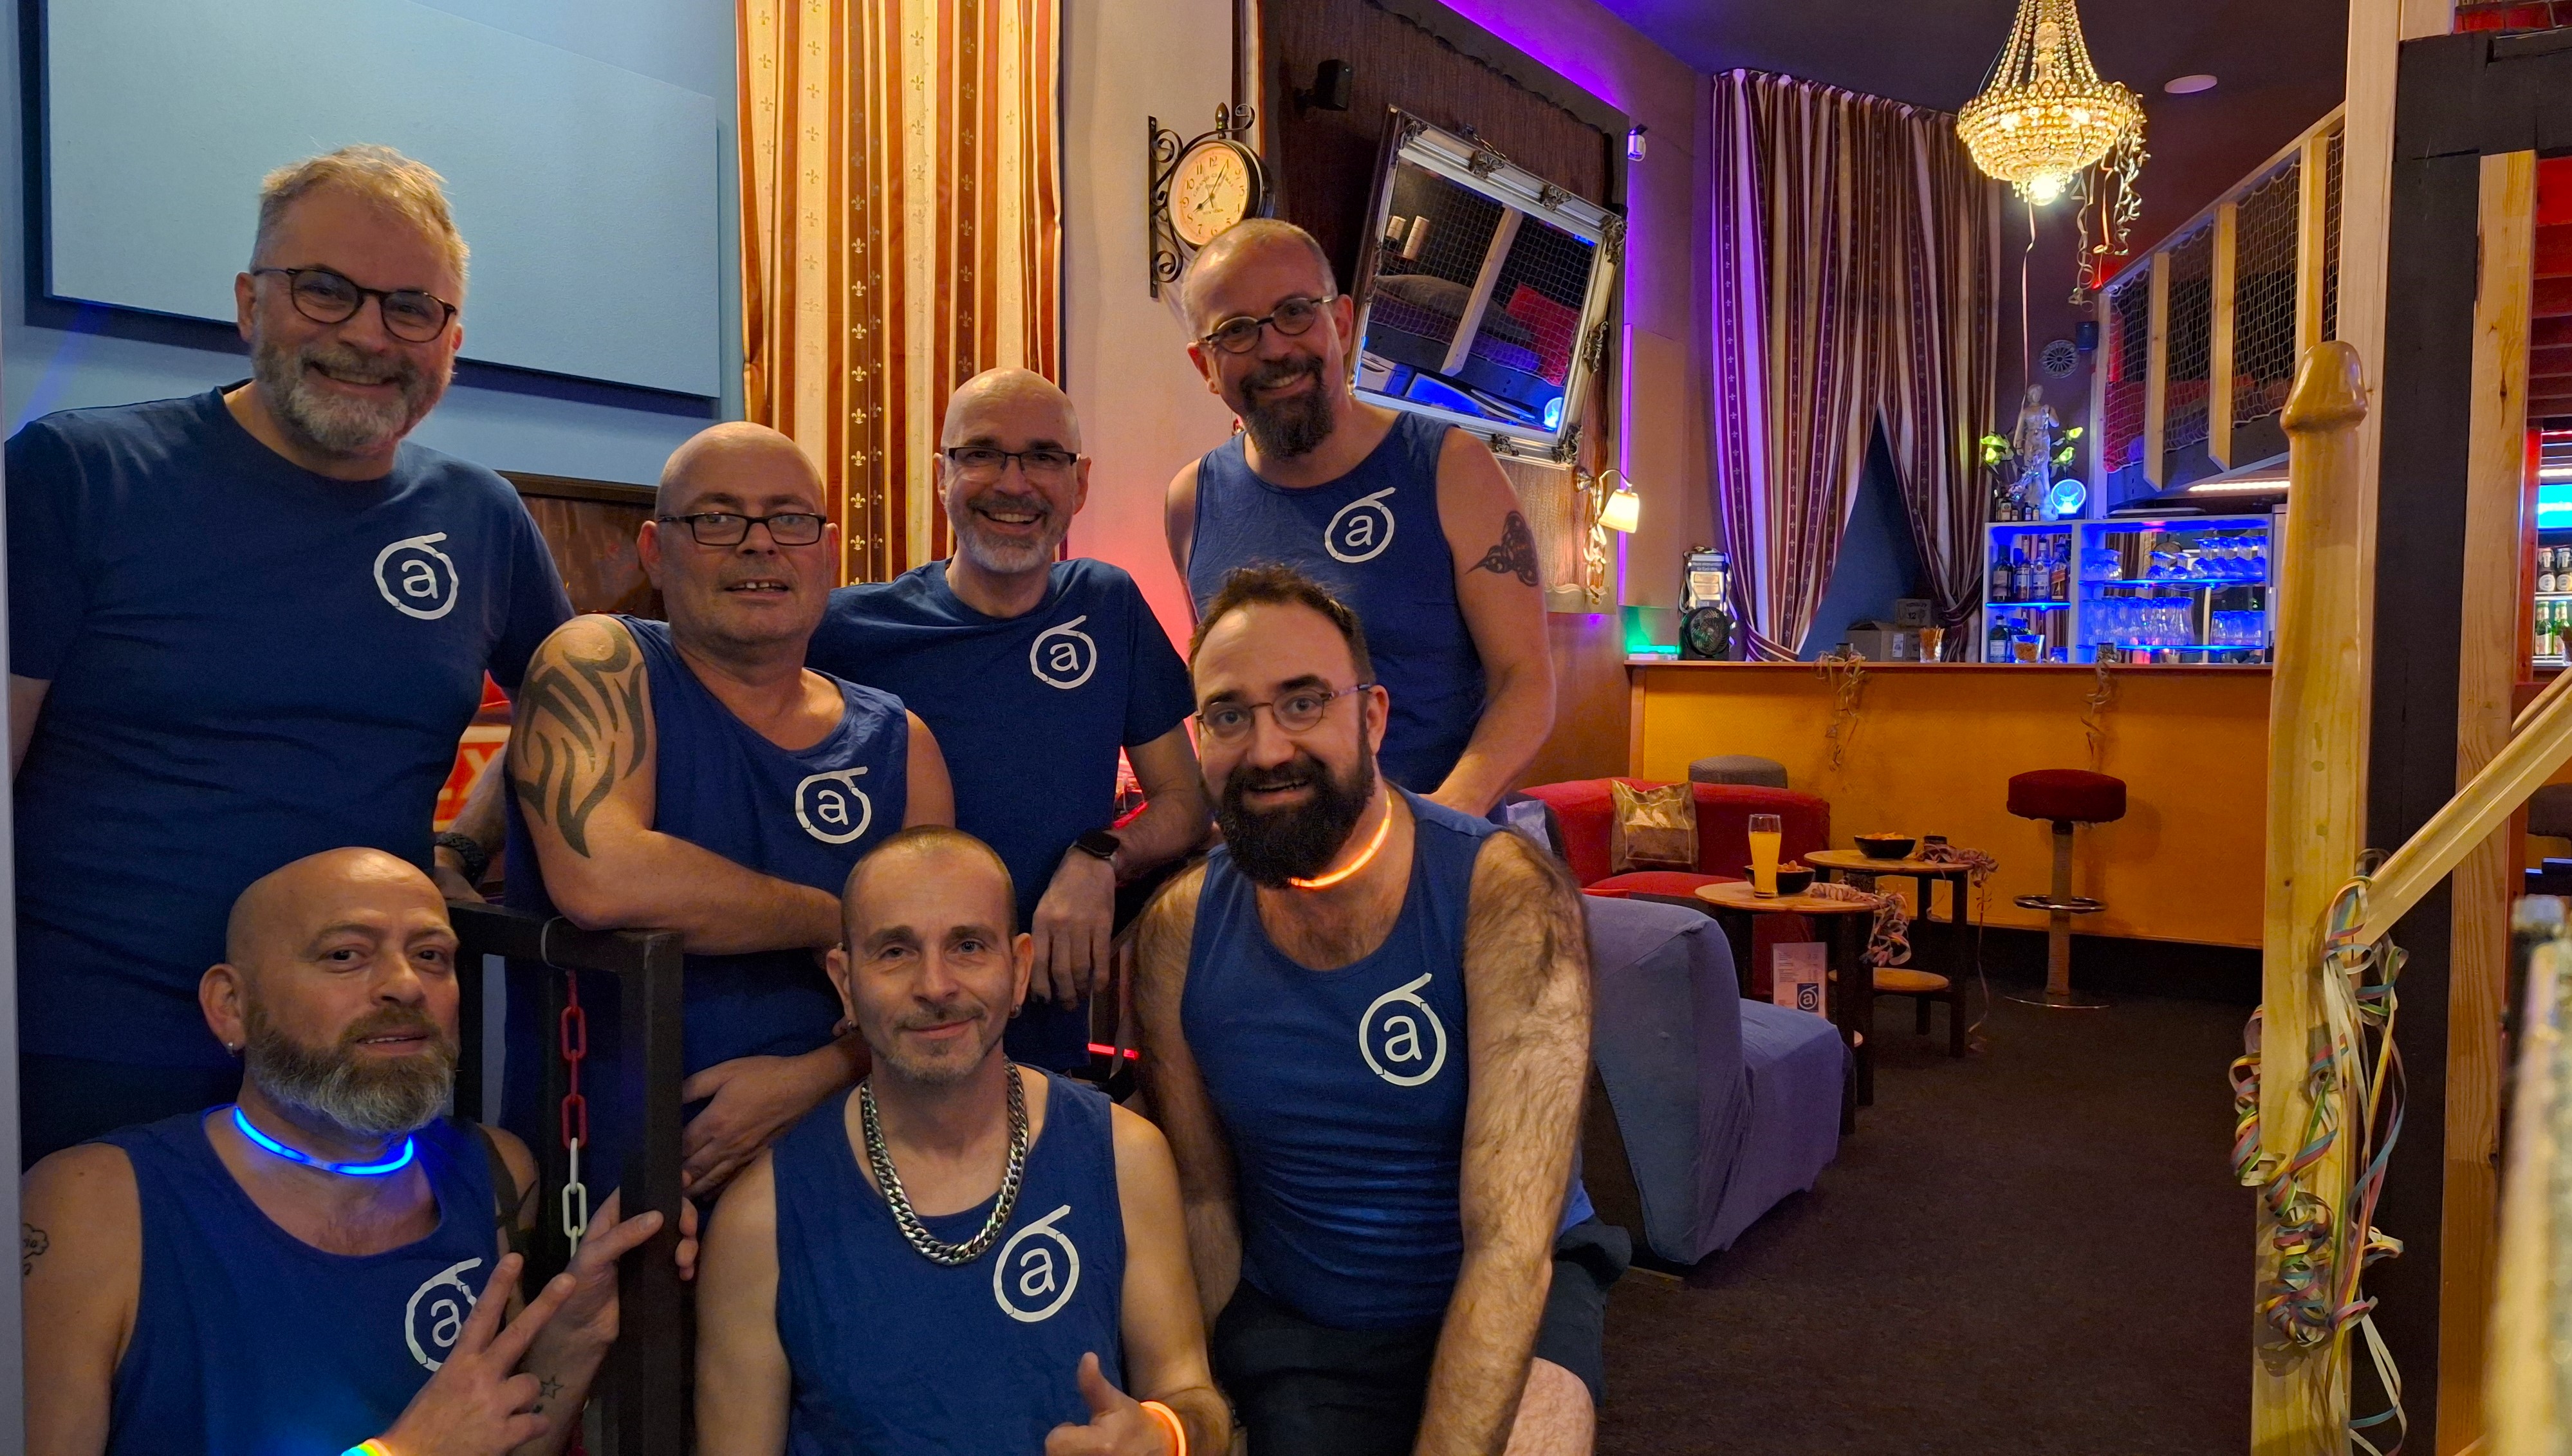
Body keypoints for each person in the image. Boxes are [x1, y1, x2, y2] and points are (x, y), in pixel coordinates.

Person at [7, 145, 573, 1163]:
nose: (368, 334)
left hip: (366, 1067)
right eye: (325, 289)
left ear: (451, 341)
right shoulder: (76, 474)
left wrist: (459, 848)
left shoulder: (481, 516)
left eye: (411, 307)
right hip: (95, 1054)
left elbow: (573, 722)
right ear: (249, 302)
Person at [1131, 565, 1622, 1456]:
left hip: (1517, 1287)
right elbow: (1204, 1199)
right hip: (1301, 1318)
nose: (1267, 749)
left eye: (1303, 702)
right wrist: (1201, 1403)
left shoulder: (1504, 896)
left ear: (1372, 717)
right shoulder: (1178, 931)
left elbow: (1509, 1244)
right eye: (1229, 716)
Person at [22, 848, 679, 1456]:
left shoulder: (495, 1172)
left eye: (431, 955)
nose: (406, 985)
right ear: (232, 1006)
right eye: (345, 955)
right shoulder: (93, 1206)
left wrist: (578, 1333)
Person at [503, 423, 954, 1198]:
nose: (758, 543)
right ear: (654, 550)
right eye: (716, 518)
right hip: (612, 1188)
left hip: (856, 1175)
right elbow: (602, 878)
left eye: (789, 518)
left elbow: (942, 985)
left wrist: (812, 1078)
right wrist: (837, 921)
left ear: (827, 551)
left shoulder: (900, 741)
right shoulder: (597, 662)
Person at [696, 826, 1228, 1455]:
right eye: (895, 951)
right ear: (845, 981)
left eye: (968, 946)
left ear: (1019, 967)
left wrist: (1165, 1435)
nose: (936, 985)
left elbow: (1192, 1396)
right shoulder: (759, 1220)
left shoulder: (1124, 1156)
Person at [808, 369, 1207, 1073]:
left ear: (1079, 483)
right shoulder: (843, 631)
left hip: (1046, 1052)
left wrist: (1100, 857)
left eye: (1043, 456)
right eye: (983, 453)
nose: (1013, 483)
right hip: (887, 1048)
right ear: (942, 475)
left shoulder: (1106, 604)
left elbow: (1185, 802)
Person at [1163, 219, 1553, 817]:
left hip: (1434, 854)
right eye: (1236, 330)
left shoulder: (1451, 468)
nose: (1274, 348)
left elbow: (1524, 681)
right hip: (1268, 859)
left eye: (1295, 312)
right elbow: (1220, 698)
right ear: (1204, 366)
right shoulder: (1191, 499)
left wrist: (1442, 820)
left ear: (1341, 323)